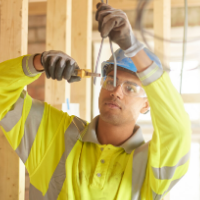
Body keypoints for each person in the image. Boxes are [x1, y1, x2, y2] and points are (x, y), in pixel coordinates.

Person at [0, 3, 191, 200]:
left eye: (130, 88)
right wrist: (37, 62)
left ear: (146, 104)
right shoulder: (55, 134)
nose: (116, 91)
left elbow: (177, 131)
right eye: (111, 81)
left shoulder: (152, 165)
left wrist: (134, 48)